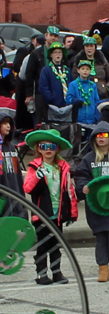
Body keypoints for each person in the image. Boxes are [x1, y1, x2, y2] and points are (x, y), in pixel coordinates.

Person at [23, 129, 77, 284]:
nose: (47, 150)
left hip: (58, 214)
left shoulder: (62, 168)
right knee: (43, 245)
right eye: (43, 146)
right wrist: (37, 176)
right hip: (41, 215)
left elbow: (70, 191)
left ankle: (57, 272)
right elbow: (27, 188)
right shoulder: (34, 167)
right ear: (38, 149)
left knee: (55, 245)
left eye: (51, 147)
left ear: (57, 149)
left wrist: (72, 213)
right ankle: (41, 273)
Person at [74, 122, 109, 282]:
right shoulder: (88, 159)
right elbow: (80, 175)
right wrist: (83, 188)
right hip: (97, 206)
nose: (101, 138)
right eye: (98, 136)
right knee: (101, 236)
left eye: (105, 135)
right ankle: (103, 268)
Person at [25, 25, 60, 124]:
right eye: (51, 35)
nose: (53, 38)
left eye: (56, 36)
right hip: (40, 92)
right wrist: (29, 94)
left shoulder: (61, 53)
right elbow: (29, 74)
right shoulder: (36, 53)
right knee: (40, 120)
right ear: (46, 36)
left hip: (56, 92)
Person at [38, 42, 73, 112]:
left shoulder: (67, 70)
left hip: (67, 106)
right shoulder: (46, 70)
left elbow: (72, 85)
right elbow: (43, 87)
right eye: (55, 52)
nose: (58, 54)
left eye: (60, 52)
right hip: (52, 106)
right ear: (51, 55)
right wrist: (51, 99)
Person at [66, 60, 101, 125]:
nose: (85, 71)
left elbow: (97, 101)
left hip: (92, 120)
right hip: (78, 120)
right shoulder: (73, 84)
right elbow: (68, 99)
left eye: (87, 69)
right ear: (78, 70)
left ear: (90, 71)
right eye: (83, 69)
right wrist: (77, 102)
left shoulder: (93, 85)